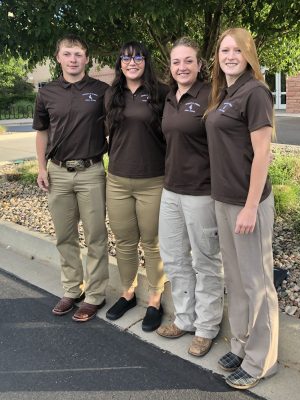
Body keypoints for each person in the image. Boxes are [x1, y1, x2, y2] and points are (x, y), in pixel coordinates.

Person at [205, 27, 279, 389]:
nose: (230, 56)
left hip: (249, 204)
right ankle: (241, 344)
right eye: (224, 50)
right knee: (235, 280)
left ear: (248, 54)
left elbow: (262, 153)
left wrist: (251, 206)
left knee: (257, 283)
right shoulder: (225, 93)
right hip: (224, 200)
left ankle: (262, 360)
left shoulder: (256, 93)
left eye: (237, 50)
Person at [33, 34, 109, 322]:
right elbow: (41, 132)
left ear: (87, 58)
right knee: (65, 236)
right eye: (68, 54)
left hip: (91, 171)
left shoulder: (102, 91)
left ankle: (95, 295)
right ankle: (71, 289)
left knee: (95, 236)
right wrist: (41, 168)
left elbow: (114, 128)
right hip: (57, 172)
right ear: (58, 58)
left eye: (78, 54)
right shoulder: (47, 93)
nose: (73, 59)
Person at [156, 37, 224, 357]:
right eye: (176, 62)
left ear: (199, 64)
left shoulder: (211, 94)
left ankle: (207, 327)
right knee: (175, 258)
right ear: (170, 67)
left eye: (188, 61)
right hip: (171, 191)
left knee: (205, 261)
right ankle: (184, 318)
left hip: (201, 193)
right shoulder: (170, 98)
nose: (182, 67)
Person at [104, 41, 169, 332]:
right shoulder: (111, 95)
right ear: (119, 62)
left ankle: (155, 298)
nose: (132, 62)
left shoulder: (160, 93)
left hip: (153, 181)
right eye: (126, 58)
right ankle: (127, 293)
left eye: (138, 57)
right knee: (124, 240)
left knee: (152, 241)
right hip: (117, 180)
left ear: (146, 61)